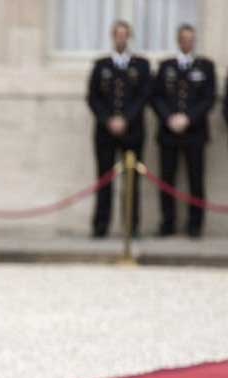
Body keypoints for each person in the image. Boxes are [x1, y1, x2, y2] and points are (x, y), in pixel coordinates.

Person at [150, 24, 216, 238]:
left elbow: (209, 98)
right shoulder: (166, 66)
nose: (188, 42)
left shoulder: (206, 66)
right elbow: (156, 96)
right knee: (166, 179)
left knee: (196, 179)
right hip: (169, 132)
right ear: (179, 40)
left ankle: (195, 225)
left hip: (195, 132)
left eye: (191, 39)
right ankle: (167, 223)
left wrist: (188, 118)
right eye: (184, 38)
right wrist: (169, 117)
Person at [87, 20, 150, 238]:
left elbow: (143, 96)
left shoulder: (141, 65)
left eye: (125, 35)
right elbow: (93, 97)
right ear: (113, 37)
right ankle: (100, 225)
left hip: (132, 132)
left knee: (132, 181)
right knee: (104, 179)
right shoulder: (101, 65)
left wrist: (126, 119)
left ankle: (131, 226)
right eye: (118, 34)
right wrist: (108, 120)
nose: (121, 38)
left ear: (129, 37)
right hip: (105, 132)